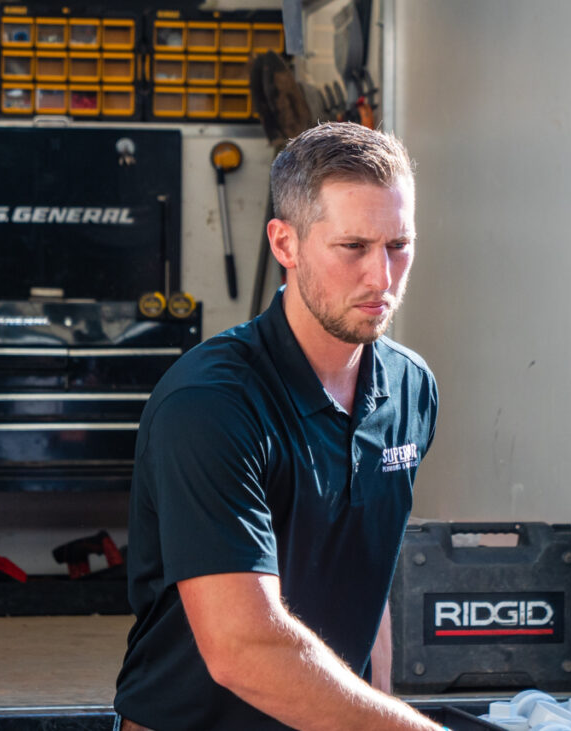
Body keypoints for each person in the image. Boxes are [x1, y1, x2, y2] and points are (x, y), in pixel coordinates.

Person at [114, 122, 443, 731]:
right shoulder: (210, 403)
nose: (382, 278)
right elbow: (242, 647)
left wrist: (384, 703)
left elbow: (370, 564)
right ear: (284, 243)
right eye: (353, 247)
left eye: (399, 245)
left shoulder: (410, 389)